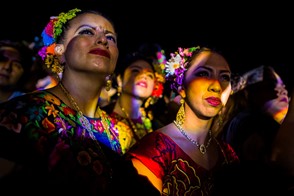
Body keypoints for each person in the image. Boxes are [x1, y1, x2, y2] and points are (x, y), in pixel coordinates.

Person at [0, 8, 159, 195]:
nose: (102, 40)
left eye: (111, 38)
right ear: (60, 50)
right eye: (86, 31)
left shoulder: (114, 130)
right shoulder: (23, 113)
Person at [126, 46, 239, 195]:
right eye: (204, 74)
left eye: (224, 77)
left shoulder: (227, 154)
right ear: (182, 87)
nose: (217, 86)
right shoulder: (154, 150)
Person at [213, 65, 290, 195]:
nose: (281, 90)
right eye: (270, 85)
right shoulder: (253, 124)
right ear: (249, 91)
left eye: (283, 84)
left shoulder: (236, 121)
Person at [102, 47, 165, 154]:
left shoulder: (156, 126)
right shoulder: (101, 119)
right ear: (120, 80)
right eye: (136, 70)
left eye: (150, 75)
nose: (144, 76)